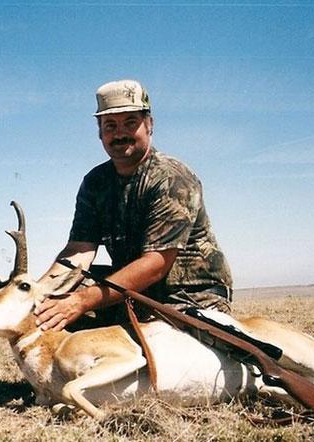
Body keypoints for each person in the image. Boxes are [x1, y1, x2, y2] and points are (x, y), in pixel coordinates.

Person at [35, 79, 233, 332]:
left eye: (130, 122)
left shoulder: (171, 178)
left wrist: (81, 302)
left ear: (149, 125)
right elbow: (79, 251)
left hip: (190, 295)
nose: (119, 134)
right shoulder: (95, 182)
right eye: (110, 125)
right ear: (99, 132)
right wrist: (36, 294)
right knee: (63, 291)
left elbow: (156, 263)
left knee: (157, 352)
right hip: (135, 293)